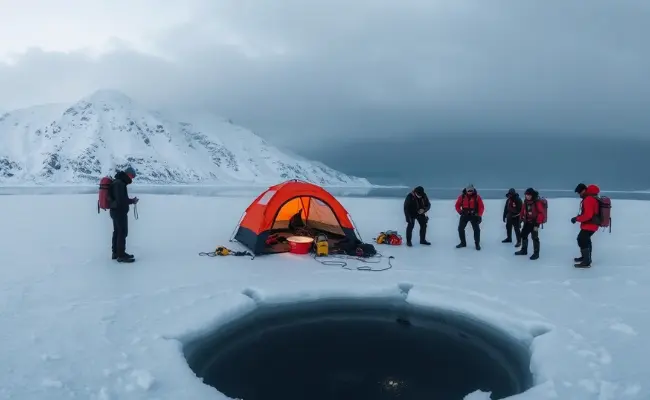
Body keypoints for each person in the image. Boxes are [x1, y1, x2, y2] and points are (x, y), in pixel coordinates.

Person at [109, 166, 139, 263]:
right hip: (119, 212)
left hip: (115, 211)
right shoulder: (120, 183)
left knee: (117, 231)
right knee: (122, 232)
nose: (131, 179)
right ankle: (121, 255)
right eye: (132, 177)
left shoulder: (117, 182)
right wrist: (132, 201)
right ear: (128, 174)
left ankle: (116, 253)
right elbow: (121, 200)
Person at [571, 183, 600, 268]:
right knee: (586, 240)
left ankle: (586, 261)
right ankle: (586, 258)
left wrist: (576, 219)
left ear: (583, 190)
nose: (579, 194)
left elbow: (588, 215)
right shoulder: (591, 198)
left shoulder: (589, 199)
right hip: (592, 224)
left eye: (579, 192)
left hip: (590, 224)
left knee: (581, 239)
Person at [514, 188, 545, 260]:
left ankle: (536, 253)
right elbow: (522, 210)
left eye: (528, 195)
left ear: (532, 195)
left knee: (535, 237)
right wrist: (520, 219)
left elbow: (541, 213)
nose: (527, 196)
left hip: (535, 223)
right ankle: (524, 250)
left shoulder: (537, 202)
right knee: (523, 235)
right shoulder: (525, 201)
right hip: (527, 221)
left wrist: (537, 222)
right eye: (526, 195)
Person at [455, 184, 484, 250]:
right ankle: (463, 243)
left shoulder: (477, 197)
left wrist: (479, 215)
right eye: (469, 191)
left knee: (477, 230)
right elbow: (457, 205)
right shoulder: (462, 197)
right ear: (466, 190)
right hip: (464, 215)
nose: (470, 192)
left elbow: (481, 207)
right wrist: (460, 211)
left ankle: (477, 244)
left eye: (471, 190)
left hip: (474, 215)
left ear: (473, 190)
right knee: (460, 229)